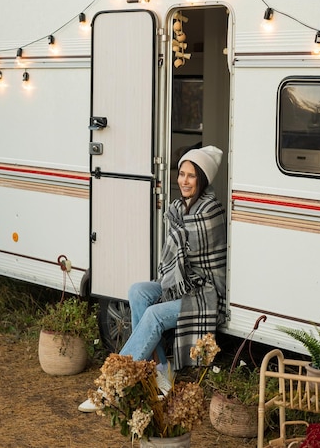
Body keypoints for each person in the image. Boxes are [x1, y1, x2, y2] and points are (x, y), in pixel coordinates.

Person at [79, 145, 227, 412]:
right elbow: (175, 256)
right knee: (138, 291)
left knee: (155, 315)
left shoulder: (210, 211)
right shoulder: (179, 209)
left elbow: (187, 250)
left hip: (204, 292)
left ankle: (114, 384)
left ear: (202, 179)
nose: (183, 180)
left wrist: (177, 230)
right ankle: (161, 372)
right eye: (181, 173)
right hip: (181, 285)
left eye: (191, 175)